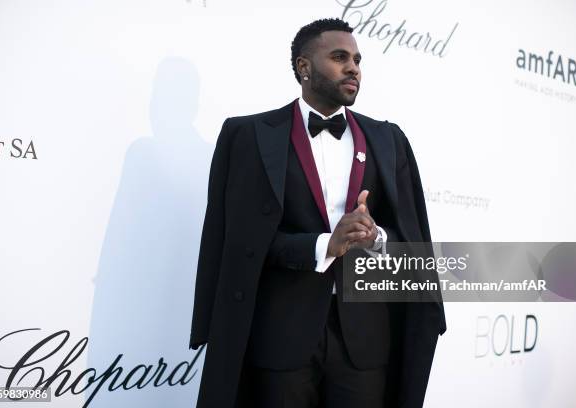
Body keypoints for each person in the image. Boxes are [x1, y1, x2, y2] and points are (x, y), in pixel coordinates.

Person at [189, 18, 446, 408]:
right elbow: (240, 245)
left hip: (365, 346)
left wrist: (375, 237)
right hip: (280, 341)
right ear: (303, 67)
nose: (353, 68)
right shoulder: (248, 136)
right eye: (339, 57)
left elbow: (413, 241)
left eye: (358, 59)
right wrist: (325, 244)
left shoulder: (389, 140)